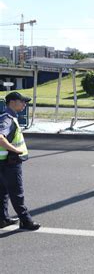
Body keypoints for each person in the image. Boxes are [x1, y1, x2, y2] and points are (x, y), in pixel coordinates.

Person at [0, 92, 40, 230]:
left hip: (3, 162)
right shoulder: (8, 119)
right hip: (9, 163)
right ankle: (26, 220)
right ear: (12, 102)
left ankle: (2, 219)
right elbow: (0, 137)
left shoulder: (6, 117)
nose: (24, 104)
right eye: (22, 101)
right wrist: (16, 150)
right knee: (17, 193)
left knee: (3, 192)